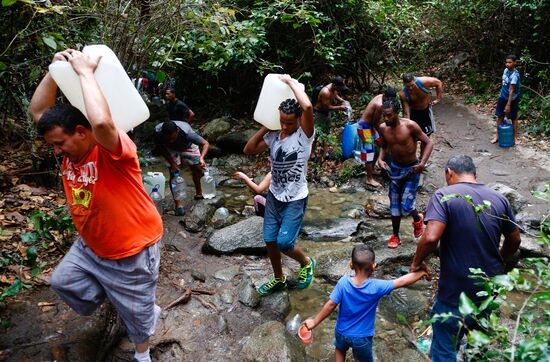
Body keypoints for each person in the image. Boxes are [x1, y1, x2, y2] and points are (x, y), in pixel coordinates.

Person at [29, 49, 163, 362]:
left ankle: (142, 354)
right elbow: (39, 111)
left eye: (60, 143)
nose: (57, 150)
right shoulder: (69, 147)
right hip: (91, 245)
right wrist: (56, 69)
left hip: (132, 248)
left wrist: (85, 72)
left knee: (139, 317)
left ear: (81, 131)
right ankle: (121, 298)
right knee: (63, 281)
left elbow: (101, 121)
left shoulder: (114, 149)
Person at [410, 155, 521, 361]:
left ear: (449, 173)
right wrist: (500, 262)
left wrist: (416, 263)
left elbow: (431, 236)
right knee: (477, 345)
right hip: (487, 287)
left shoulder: (444, 195)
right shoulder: (499, 199)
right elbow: (515, 240)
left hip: (455, 291)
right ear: (475, 175)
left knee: (444, 346)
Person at [244, 74, 316, 296]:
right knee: (270, 241)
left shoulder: (305, 136)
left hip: (295, 198)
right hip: (275, 196)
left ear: (299, 121)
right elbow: (249, 149)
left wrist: (291, 83)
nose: (285, 126)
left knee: (284, 242)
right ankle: (279, 278)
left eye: (290, 122)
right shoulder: (275, 136)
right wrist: (267, 126)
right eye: (282, 121)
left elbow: (308, 106)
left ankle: (306, 262)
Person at [304, 244, 427, 362]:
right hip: (362, 337)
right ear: (374, 266)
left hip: (341, 332)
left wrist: (315, 321)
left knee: (340, 349)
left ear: (351, 265)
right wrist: (420, 273)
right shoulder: (377, 286)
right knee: (361, 358)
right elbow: (402, 282)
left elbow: (331, 304)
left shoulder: (343, 282)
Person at [377, 99, 433, 248]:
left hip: (411, 169)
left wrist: (422, 163)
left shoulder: (410, 126)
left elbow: (428, 143)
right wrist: (380, 159)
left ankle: (417, 219)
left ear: (397, 113)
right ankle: (395, 236)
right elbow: (383, 145)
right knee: (394, 205)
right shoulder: (383, 128)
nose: (386, 119)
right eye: (384, 115)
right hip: (394, 169)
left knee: (406, 205)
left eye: (389, 115)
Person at [153, 120, 209, 215]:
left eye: (172, 137)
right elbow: (160, 148)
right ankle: (178, 205)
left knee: (197, 168)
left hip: (187, 145)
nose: (171, 140)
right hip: (169, 149)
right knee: (173, 173)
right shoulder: (158, 133)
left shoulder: (188, 134)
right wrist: (173, 163)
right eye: (168, 138)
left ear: (177, 131)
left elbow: (205, 144)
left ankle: (199, 193)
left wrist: (202, 158)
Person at [357, 87, 398, 187]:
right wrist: (383, 134)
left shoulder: (382, 98)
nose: (389, 102)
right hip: (365, 127)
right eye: (388, 100)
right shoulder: (380, 105)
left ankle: (372, 169)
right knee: (369, 152)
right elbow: (376, 122)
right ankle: (369, 179)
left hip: (370, 126)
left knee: (379, 145)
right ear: (384, 96)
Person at [399, 73, 443, 149]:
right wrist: (407, 124)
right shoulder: (403, 93)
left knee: (426, 137)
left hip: (426, 112)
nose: (410, 88)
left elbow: (438, 83)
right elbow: (406, 111)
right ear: (403, 83)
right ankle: (413, 157)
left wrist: (438, 99)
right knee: (412, 137)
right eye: (408, 86)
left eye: (412, 85)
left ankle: (422, 157)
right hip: (414, 113)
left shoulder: (423, 82)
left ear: (414, 80)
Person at [313, 76, 350, 159]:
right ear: (334, 85)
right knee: (316, 134)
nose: (339, 89)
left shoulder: (335, 88)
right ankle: (311, 153)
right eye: (338, 87)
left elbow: (336, 96)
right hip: (320, 114)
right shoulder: (325, 92)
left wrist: (342, 101)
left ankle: (325, 153)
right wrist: (340, 107)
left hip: (327, 113)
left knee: (327, 132)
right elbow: (327, 107)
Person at [491, 54, 521, 144]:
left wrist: (508, 105)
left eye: (510, 62)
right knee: (500, 116)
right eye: (506, 62)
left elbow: (511, 91)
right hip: (503, 97)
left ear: (515, 63)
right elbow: (504, 84)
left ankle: (515, 138)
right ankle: (497, 136)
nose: (508, 64)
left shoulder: (515, 75)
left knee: (513, 118)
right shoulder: (505, 70)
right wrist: (501, 95)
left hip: (511, 99)